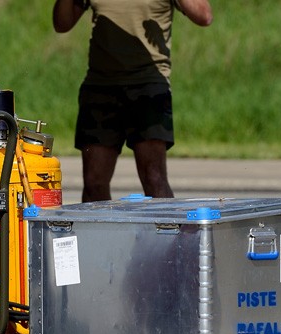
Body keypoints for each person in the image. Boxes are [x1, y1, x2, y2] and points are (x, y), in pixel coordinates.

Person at [53, 0, 213, 202]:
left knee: (154, 178)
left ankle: (170, 233)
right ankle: (100, 234)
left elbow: (204, 16)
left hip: (148, 87)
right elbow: (62, 23)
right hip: (101, 86)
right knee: (94, 183)